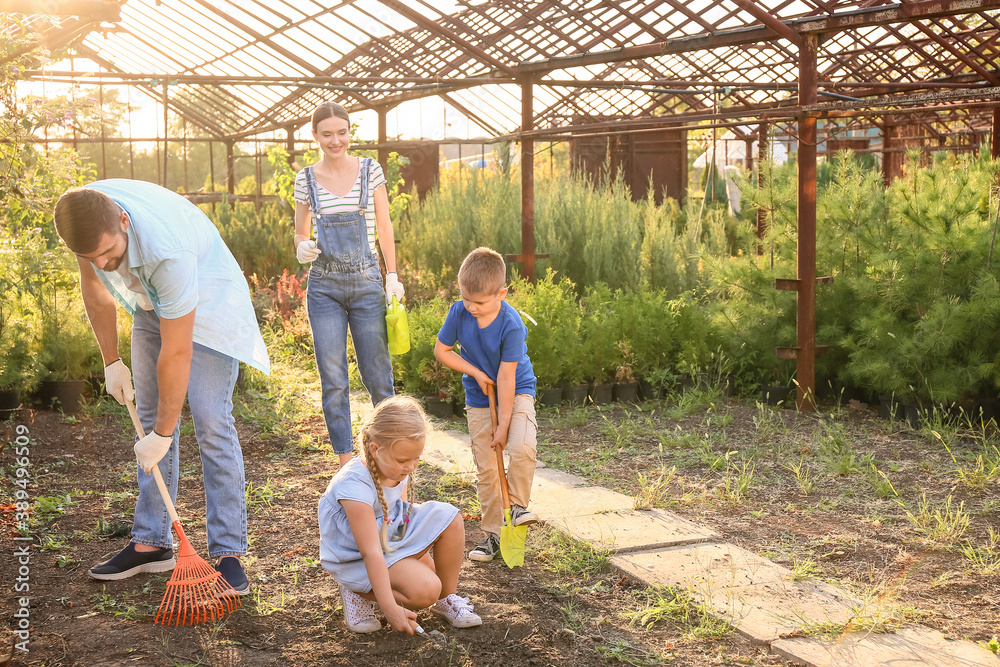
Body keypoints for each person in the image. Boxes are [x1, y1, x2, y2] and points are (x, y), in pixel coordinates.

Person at [53, 180, 270, 595]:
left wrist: (165, 436)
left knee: (210, 421)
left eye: (108, 253)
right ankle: (153, 543)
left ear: (124, 220)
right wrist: (111, 360)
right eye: (91, 257)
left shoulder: (167, 251)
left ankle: (227, 552)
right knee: (147, 419)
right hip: (153, 304)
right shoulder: (82, 218)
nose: (103, 263)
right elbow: (96, 293)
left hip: (207, 306)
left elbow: (177, 352)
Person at [293, 101, 403, 467]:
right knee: (334, 378)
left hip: (368, 280)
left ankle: (388, 453)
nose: (335, 140)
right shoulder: (304, 178)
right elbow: (299, 231)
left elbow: (384, 228)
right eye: (327, 134)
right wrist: (302, 247)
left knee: (378, 375)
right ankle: (346, 463)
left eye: (342, 132)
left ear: (349, 132)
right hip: (323, 286)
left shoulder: (371, 170)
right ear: (315, 136)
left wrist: (391, 276)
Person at [318, 395, 482, 633]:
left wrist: (412, 550)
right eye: (404, 459)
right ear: (375, 449)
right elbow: (370, 552)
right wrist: (390, 608)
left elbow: (399, 511)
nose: (411, 466)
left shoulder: (391, 465)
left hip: (387, 533)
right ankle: (356, 589)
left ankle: (447, 599)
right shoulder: (354, 484)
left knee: (451, 519)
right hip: (355, 554)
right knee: (425, 591)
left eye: (417, 458)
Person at [433, 247, 539, 563]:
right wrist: (476, 372)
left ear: (501, 293)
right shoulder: (459, 312)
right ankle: (493, 534)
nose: (471, 307)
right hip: (479, 398)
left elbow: (506, 378)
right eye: (467, 299)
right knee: (488, 469)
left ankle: (517, 508)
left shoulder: (511, 324)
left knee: (521, 447)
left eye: (479, 302)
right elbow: (443, 350)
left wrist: (504, 426)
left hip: (517, 389)